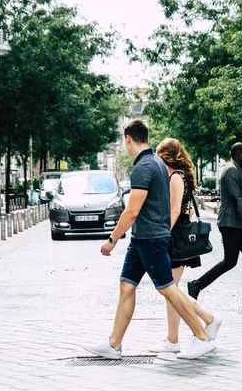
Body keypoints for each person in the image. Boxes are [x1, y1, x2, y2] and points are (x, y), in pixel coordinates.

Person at [83, 120, 216, 360]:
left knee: (167, 289)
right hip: (142, 239)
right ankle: (114, 345)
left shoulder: (143, 167)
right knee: (126, 285)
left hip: (150, 239)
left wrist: (112, 239)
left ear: (128, 139)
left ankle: (202, 337)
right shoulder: (155, 162)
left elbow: (132, 211)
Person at [149, 138, 223, 353]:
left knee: (170, 290)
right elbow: (186, 209)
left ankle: (207, 320)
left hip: (174, 240)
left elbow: (174, 211)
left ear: (165, 156)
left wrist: (162, 235)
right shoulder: (180, 175)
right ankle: (174, 338)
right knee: (171, 290)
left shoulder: (175, 177)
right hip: (176, 237)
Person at [187, 142, 242, 309]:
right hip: (231, 223)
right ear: (239, 154)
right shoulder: (230, 170)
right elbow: (235, 199)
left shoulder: (238, 169)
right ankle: (196, 285)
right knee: (230, 261)